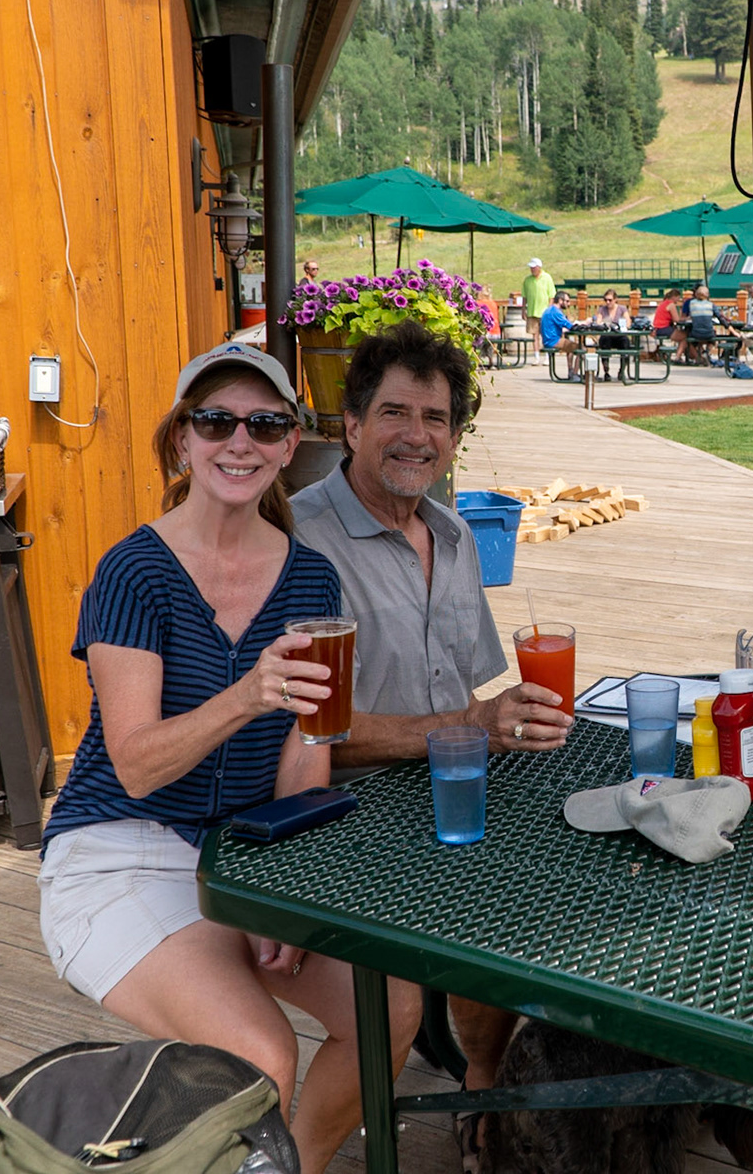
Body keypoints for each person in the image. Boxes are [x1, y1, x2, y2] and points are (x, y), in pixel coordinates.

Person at [36, 342, 423, 1174]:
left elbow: (307, 748)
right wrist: (248, 694)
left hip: (240, 854)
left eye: (264, 425)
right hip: (119, 851)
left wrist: (277, 894)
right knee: (260, 1053)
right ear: (183, 439)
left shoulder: (311, 580)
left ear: (290, 445)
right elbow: (136, 766)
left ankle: (290, 1166)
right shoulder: (132, 572)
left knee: (391, 1009)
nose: (238, 441)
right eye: (215, 421)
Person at [291, 322, 573, 1169]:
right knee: (489, 910)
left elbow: (468, 695)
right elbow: (305, 734)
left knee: (570, 870)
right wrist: (466, 731)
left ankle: (481, 1071)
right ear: (350, 424)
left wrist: (501, 721)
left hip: (448, 791)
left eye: (437, 418)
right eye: (395, 413)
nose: (417, 435)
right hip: (343, 816)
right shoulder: (300, 543)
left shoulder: (451, 536)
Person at [591, 288, 633, 380]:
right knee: (604, 341)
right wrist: (603, 324)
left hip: (619, 335)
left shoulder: (622, 309)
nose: (608, 302)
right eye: (606, 300)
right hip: (607, 335)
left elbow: (628, 322)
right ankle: (606, 370)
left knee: (625, 342)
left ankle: (622, 370)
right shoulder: (602, 309)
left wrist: (622, 326)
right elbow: (598, 322)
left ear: (615, 299)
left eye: (610, 300)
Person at [537, 289, 577, 375]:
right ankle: (575, 374)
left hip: (547, 340)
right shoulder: (555, 312)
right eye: (567, 301)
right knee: (582, 348)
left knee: (570, 346)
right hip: (553, 341)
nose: (569, 304)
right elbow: (569, 325)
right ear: (560, 300)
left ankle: (571, 370)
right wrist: (580, 326)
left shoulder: (549, 310)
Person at [684, 283, 722, 366]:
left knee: (688, 338)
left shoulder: (691, 303)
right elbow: (720, 317)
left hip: (695, 332)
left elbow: (684, 317)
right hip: (708, 333)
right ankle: (706, 352)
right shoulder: (710, 304)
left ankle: (699, 357)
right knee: (713, 337)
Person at [520, 257, 554, 329]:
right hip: (531, 312)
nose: (532, 269)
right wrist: (523, 310)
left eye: (534, 268)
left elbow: (551, 296)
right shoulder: (527, 280)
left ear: (539, 267)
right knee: (533, 333)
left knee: (545, 332)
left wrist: (549, 311)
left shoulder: (547, 278)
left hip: (544, 313)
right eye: (531, 268)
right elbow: (524, 297)